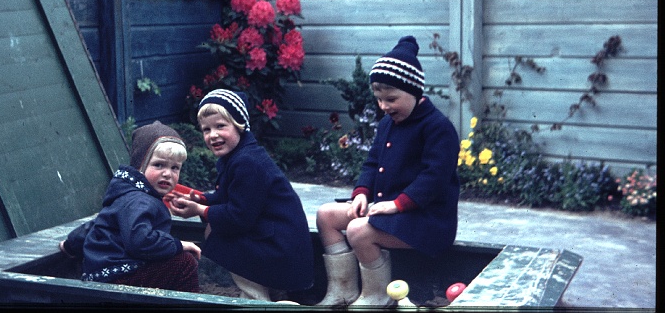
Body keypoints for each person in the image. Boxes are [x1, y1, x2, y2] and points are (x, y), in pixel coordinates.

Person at [314, 36, 460, 307]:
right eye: (379, 100)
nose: (384, 107)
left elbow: (434, 179)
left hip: (427, 221)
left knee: (358, 230)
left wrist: (396, 204)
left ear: (415, 91)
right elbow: (372, 163)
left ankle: (376, 295)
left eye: (391, 99)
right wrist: (361, 193)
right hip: (391, 211)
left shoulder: (438, 128)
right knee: (326, 216)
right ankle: (342, 289)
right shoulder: (387, 124)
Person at [169, 89, 314, 302]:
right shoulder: (238, 156)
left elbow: (239, 217)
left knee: (219, 238)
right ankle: (265, 293)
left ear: (239, 124)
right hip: (274, 240)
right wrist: (201, 200)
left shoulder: (248, 163)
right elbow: (231, 197)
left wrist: (200, 210)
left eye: (220, 126)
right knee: (216, 227)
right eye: (206, 129)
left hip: (282, 249)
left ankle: (256, 298)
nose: (213, 135)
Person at [58, 121, 201, 293]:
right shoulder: (140, 201)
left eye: (174, 168)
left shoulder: (126, 192)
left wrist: (71, 244)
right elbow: (140, 241)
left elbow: (100, 223)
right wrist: (178, 245)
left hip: (102, 273)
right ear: (140, 165)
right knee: (185, 263)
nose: (167, 173)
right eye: (159, 165)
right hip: (119, 277)